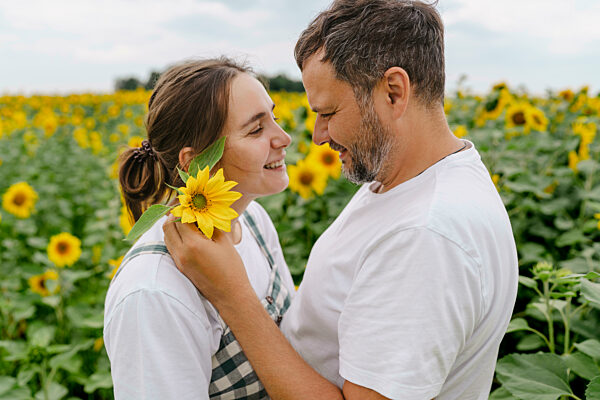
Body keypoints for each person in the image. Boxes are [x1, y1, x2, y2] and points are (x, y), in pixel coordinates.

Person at [163, 0, 519, 399]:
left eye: (329, 112)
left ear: (394, 92)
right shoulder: (399, 180)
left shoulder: (424, 237)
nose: (316, 135)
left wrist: (235, 298)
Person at [103, 58, 296, 399]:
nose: (284, 138)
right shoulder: (153, 292)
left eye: (274, 118)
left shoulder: (254, 221)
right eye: (256, 129)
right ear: (194, 161)